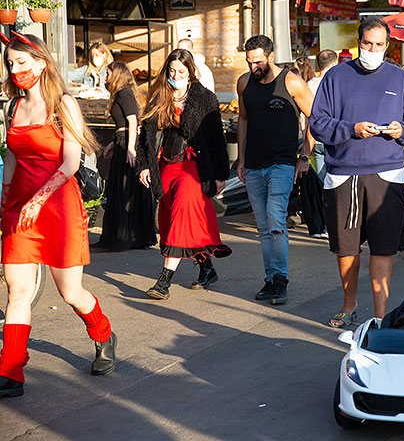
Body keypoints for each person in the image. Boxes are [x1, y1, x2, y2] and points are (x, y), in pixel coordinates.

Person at [0, 33, 116, 398]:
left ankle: (103, 333)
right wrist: (6, 198)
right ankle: (11, 370)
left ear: (40, 62)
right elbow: (13, 157)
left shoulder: (63, 103)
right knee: (17, 290)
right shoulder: (12, 108)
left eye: (21, 62)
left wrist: (39, 200)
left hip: (58, 207)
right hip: (19, 207)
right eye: (9, 63)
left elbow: (69, 162)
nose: (15, 69)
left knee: (70, 292)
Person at [310, 17, 404, 328]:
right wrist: (351, 128)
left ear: (387, 46)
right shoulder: (335, 77)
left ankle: (379, 315)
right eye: (367, 43)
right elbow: (317, 123)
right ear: (357, 42)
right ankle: (349, 305)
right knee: (346, 248)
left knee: (384, 247)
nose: (373, 49)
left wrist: (402, 129)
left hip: (387, 173)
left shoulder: (399, 78)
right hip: (343, 174)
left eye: (379, 45)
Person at [137, 49, 231, 300]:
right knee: (170, 216)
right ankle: (206, 268)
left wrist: (221, 174)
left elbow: (216, 139)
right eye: (172, 71)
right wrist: (144, 165)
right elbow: (145, 137)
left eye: (181, 71)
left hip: (193, 167)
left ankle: (163, 282)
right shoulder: (159, 97)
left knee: (182, 213)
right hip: (166, 165)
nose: (176, 75)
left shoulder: (204, 98)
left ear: (191, 72)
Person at [236, 35, 314, 305]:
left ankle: (280, 279)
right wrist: (241, 158)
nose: (253, 67)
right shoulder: (245, 82)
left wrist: (305, 155)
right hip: (254, 163)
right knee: (262, 226)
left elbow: (315, 116)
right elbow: (243, 119)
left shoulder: (291, 81)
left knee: (276, 221)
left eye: (258, 62)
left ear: (270, 56)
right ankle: (270, 279)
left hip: (282, 162)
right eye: (249, 62)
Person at [92, 62, 156, 250]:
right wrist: (114, 143)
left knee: (124, 188)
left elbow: (132, 120)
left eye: (108, 74)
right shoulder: (123, 93)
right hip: (122, 141)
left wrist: (129, 148)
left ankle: (124, 237)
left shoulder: (124, 93)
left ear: (117, 75)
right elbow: (125, 126)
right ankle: (131, 236)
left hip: (126, 143)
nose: (106, 77)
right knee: (125, 188)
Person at [307, 49, 338, 180]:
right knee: (335, 180)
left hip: (314, 138)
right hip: (333, 136)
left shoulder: (309, 85)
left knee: (321, 180)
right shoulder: (336, 83)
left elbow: (304, 117)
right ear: (334, 63)